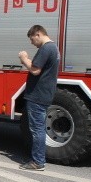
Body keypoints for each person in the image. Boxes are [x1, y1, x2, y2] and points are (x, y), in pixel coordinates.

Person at [18, 24, 60, 171]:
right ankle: (38, 159)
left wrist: (24, 59)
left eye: (32, 39)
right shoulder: (54, 48)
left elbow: (35, 70)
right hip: (44, 94)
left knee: (37, 129)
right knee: (39, 128)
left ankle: (37, 161)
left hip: (37, 95)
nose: (32, 43)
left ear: (38, 34)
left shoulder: (46, 48)